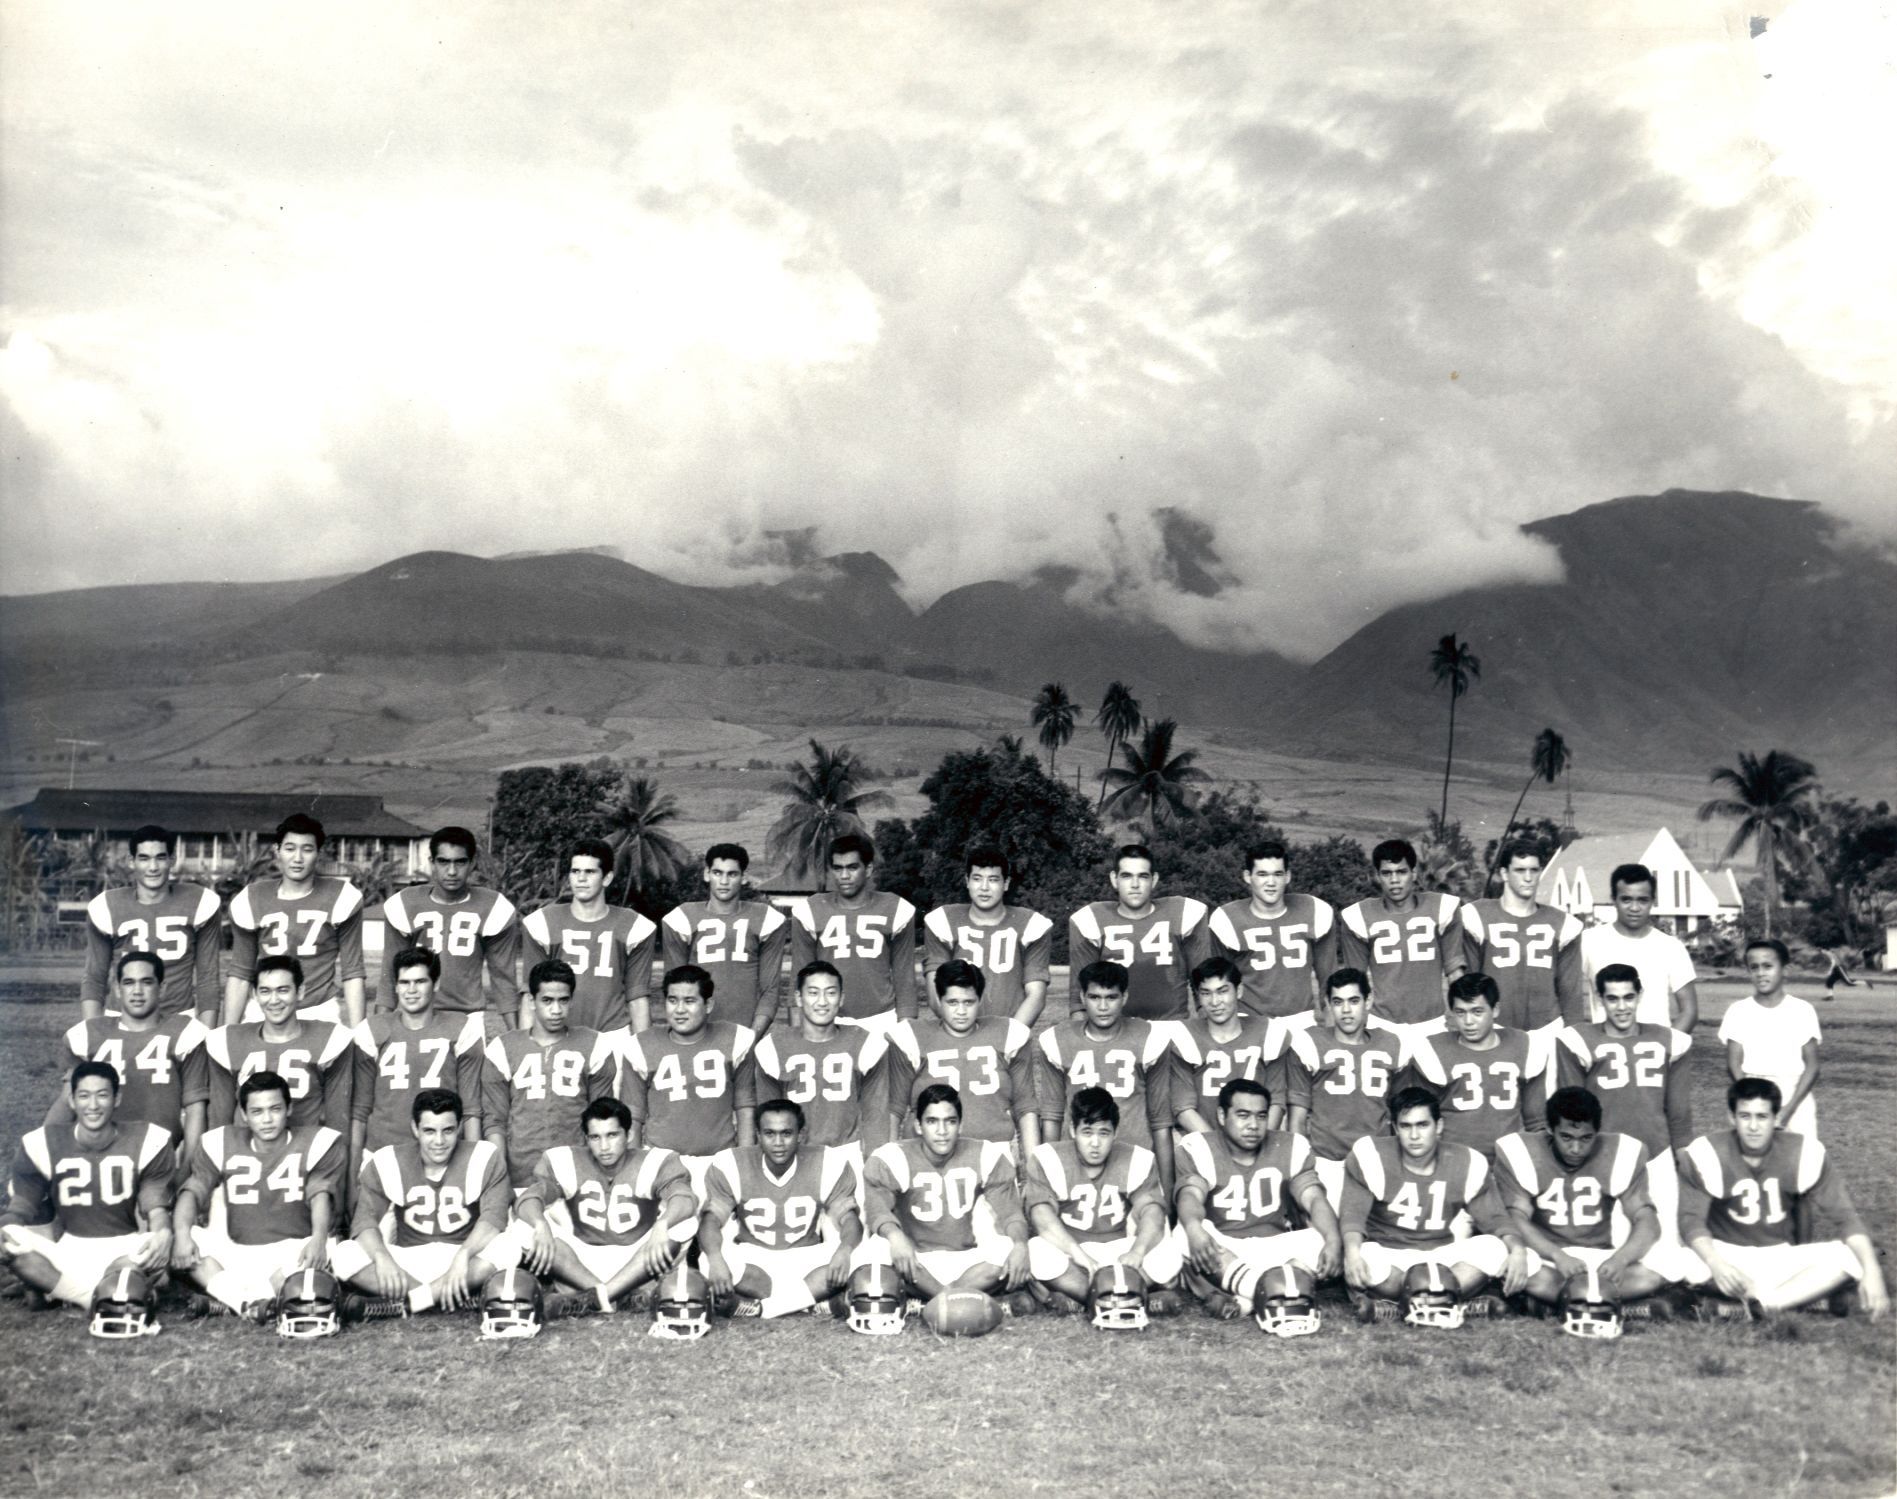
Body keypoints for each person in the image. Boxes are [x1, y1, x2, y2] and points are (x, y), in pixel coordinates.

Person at [1676, 1078, 1887, 1320]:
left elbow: (1845, 1217)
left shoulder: (1803, 1152)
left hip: (1778, 1256)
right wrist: (1717, 1264)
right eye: (1745, 1116)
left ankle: (1759, 1305)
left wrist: (1873, 1272)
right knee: (1680, 1258)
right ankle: (1799, 1298)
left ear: (1777, 1119)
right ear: (1731, 1118)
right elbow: (1690, 1221)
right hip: (1725, 1254)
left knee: (1854, 1254)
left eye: (1762, 1117)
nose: (1753, 1126)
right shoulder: (1706, 1153)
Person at [1493, 1087, 1687, 1318]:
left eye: (1586, 1138)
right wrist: (1557, 1255)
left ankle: (1551, 1304)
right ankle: (1620, 1305)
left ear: (1598, 1131)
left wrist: (1621, 1259)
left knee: (1674, 1258)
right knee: (1502, 1256)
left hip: (1599, 1260)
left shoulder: (1621, 1151)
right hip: (1547, 1259)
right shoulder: (1522, 1152)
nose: (1576, 1148)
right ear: (1549, 1129)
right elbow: (1516, 1218)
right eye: (1566, 1137)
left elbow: (1646, 1218)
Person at [1339, 1085, 1527, 1322]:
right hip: (1390, 1256)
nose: (1414, 1136)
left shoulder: (1466, 1161)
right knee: (1362, 1254)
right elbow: (1352, 1216)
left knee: (1494, 1247)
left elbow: (1496, 1220)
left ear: (1438, 1126)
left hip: (1441, 1258)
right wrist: (1353, 1253)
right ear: (1395, 1128)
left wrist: (1518, 1249)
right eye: (1406, 1126)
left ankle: (1397, 1308)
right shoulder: (1372, 1156)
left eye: (1422, 1125)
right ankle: (1455, 1304)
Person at [0, 1061, 175, 1311]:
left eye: (102, 1095)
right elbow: (21, 1207)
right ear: (71, 1100)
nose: (93, 1106)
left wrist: (162, 1233)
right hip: (70, 1248)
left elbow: (155, 1204)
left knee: (151, 1252)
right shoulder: (43, 1142)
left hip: (124, 1248)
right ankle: (98, 1296)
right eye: (84, 1096)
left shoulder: (147, 1140)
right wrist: (4, 1228)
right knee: (12, 1241)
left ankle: (60, 1289)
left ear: (116, 1098)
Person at [170, 1070, 345, 1320]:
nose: (267, 1119)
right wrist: (183, 1235)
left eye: (275, 1109)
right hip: (239, 1250)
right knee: (188, 1243)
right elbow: (192, 1191)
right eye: (257, 1111)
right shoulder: (221, 1142)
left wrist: (317, 1238)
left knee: (329, 1253)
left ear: (289, 1109)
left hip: (293, 1250)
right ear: (244, 1115)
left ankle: (233, 1302)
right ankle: (251, 1303)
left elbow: (320, 1194)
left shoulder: (316, 1142)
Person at [330, 1087, 523, 1314]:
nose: (439, 1141)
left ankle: (412, 1303)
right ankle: (445, 1298)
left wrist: (464, 1254)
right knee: (344, 1253)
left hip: (462, 1260)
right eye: (429, 1131)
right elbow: (364, 1223)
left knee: (509, 1246)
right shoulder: (388, 1160)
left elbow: (494, 1218)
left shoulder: (484, 1156)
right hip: (408, 1261)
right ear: (415, 1128)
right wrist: (382, 1256)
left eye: (448, 1131)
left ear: (460, 1127)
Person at [1174, 1078, 1341, 1321]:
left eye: (1261, 1116)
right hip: (1225, 1251)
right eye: (1243, 1115)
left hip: (1273, 1247)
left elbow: (1314, 1198)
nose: (1253, 1125)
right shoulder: (1199, 1147)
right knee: (1183, 1233)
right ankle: (1280, 1291)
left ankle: (1248, 1297)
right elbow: (1190, 1196)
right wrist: (1193, 1228)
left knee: (1325, 1235)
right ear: (1222, 1115)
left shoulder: (1289, 1146)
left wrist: (1334, 1240)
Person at [514, 1097, 699, 1312]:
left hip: (638, 1263)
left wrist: (662, 1224)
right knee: (524, 1227)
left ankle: (593, 1299)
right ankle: (617, 1297)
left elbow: (685, 1199)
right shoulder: (567, 1160)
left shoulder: (655, 1161)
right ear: (586, 1139)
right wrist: (540, 1224)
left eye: (612, 1135)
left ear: (628, 1135)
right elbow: (530, 1197)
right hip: (582, 1262)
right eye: (595, 1137)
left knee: (683, 1224)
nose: (604, 1146)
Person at [1553, 963, 1693, 1243]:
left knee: (1667, 1248)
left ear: (1639, 996)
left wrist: (1684, 1158)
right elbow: (1570, 1110)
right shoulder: (1578, 1041)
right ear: (1600, 999)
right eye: (1612, 998)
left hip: (1656, 1151)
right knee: (1608, 1245)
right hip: (1603, 1154)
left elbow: (1678, 1111)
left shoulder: (1670, 1041)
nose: (1621, 1007)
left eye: (1628, 997)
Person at [860, 1084, 1030, 1300]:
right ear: (918, 1126)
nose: (942, 1131)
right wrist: (895, 1237)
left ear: (960, 1126)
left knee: (1009, 1248)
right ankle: (959, 1299)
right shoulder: (893, 1157)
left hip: (967, 1261)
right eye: (932, 1121)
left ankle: (935, 1300)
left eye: (950, 1121)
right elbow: (877, 1211)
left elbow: (1011, 1214)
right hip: (915, 1262)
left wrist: (1021, 1244)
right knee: (874, 1250)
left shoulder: (985, 1154)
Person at [699, 1098, 863, 1318]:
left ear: (800, 1135)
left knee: (863, 1253)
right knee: (706, 1259)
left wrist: (844, 1250)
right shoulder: (731, 1164)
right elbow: (711, 1220)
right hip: (755, 1262)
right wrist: (715, 1258)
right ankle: (810, 1303)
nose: (778, 1142)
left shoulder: (827, 1162)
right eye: (769, 1133)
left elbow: (849, 1219)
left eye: (786, 1133)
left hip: (808, 1259)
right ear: (758, 1135)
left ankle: (760, 1308)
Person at [55, 952, 209, 1186]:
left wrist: (186, 1170)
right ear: (117, 989)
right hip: (98, 1155)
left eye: (146, 982)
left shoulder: (184, 1033)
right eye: (129, 983)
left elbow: (196, 1109)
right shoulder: (89, 1034)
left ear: (163, 988)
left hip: (160, 1157)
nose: (137, 991)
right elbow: (67, 1102)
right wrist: (47, 1154)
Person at [1023, 1088, 1179, 1309]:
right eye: (1087, 1132)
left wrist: (1137, 1251)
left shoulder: (1138, 1159)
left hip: (1121, 1252)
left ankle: (1086, 1298)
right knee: (1036, 1250)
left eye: (1104, 1133)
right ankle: (1131, 1297)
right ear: (1072, 1130)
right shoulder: (1048, 1158)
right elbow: (1041, 1218)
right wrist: (1078, 1254)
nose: (1095, 1143)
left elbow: (1152, 1213)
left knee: (1170, 1250)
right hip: (1073, 1254)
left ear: (1115, 1133)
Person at [1037, 960, 1178, 1200]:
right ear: (1082, 997)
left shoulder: (1149, 1038)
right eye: (1094, 997)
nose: (1103, 1006)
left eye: (1111, 997)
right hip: (1079, 1162)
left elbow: (1160, 1120)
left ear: (1124, 997)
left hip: (1135, 1160)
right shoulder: (1058, 1040)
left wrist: (1167, 1194)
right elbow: (1052, 1116)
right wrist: (1051, 1179)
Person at [620, 964, 757, 1198]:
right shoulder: (641, 1046)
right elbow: (633, 1117)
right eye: (672, 1000)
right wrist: (633, 1172)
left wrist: (741, 1164)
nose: (680, 1009)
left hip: (718, 1159)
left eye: (690, 1001)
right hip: (661, 1163)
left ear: (709, 1005)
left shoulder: (735, 1040)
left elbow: (745, 1109)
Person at [481, 959, 618, 1190]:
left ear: (571, 1000)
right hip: (521, 1174)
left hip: (579, 1174)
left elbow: (602, 1120)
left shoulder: (595, 1046)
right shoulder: (502, 1049)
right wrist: (500, 1177)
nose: (556, 1010)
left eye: (563, 1000)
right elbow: (495, 1121)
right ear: (531, 1001)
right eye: (547, 1000)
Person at [1284, 968, 1413, 1208]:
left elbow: (1402, 1115)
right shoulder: (1310, 1044)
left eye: (1354, 1001)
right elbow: (1297, 1119)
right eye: (1337, 1002)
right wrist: (1300, 1171)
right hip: (1326, 1161)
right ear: (1328, 1005)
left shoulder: (1393, 1044)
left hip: (1378, 1159)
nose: (1346, 1011)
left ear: (1369, 1001)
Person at [224, 813, 368, 1027]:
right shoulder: (252, 898)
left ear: (318, 854)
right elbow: (240, 972)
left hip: (319, 1010)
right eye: (290, 848)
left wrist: (359, 1034)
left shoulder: (341, 897)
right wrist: (229, 1032)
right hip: (264, 1008)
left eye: (307, 849)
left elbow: (353, 971)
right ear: (277, 851)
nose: (298, 858)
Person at [350, 947, 487, 1168]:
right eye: (404, 982)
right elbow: (360, 1110)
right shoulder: (372, 1030)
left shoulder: (462, 1029)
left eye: (420, 981)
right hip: (383, 1152)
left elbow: (471, 1107)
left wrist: (472, 1165)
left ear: (436, 984)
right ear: (395, 985)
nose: (411, 990)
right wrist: (354, 1169)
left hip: (443, 1152)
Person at [379, 826, 522, 1038]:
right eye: (444, 862)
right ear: (432, 863)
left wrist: (517, 1037)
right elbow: (389, 974)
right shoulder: (405, 904)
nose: (452, 871)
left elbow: (503, 979)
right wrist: (379, 1029)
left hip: (468, 1018)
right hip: (414, 1015)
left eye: (460, 862)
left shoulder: (493, 907)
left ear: (473, 863)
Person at [888, 960, 1038, 1154]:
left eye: (969, 1002)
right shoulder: (912, 1038)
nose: (961, 1011)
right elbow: (893, 1109)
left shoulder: (1009, 1034)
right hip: (926, 1154)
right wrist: (888, 1160)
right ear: (939, 1000)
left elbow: (1026, 1108)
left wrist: (1035, 1165)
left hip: (993, 1150)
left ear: (980, 1000)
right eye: (952, 1002)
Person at [519, 839, 660, 1039]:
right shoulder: (542, 923)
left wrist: (645, 1052)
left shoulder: (634, 927)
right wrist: (525, 1046)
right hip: (558, 1036)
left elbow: (637, 997)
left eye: (590, 872)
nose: (581, 879)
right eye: (575, 871)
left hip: (612, 1036)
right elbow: (530, 994)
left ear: (607, 878)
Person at [752, 962, 888, 1168]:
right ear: (799, 997)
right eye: (813, 993)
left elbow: (876, 1115)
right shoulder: (773, 1048)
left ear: (841, 998)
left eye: (830, 993)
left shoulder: (864, 1044)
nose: (822, 1002)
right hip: (794, 1157)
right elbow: (767, 1120)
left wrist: (874, 1164)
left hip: (846, 1154)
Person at [80, 824, 221, 1023]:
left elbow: (208, 978)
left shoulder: (199, 903)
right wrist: (92, 1033)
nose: (153, 867)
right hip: (121, 1020)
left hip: (178, 1019)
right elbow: (95, 977)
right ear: (131, 861)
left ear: (172, 859)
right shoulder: (107, 907)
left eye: (160, 858)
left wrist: (207, 1037)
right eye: (144, 858)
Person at [1408, 973, 1554, 1159]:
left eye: (1477, 1012)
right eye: (1460, 1012)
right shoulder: (1433, 1051)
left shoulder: (1525, 1046)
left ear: (1495, 1010)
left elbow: (1537, 1122)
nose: (1468, 1022)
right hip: (1452, 1161)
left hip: (1509, 1161)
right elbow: (1422, 1122)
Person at [788, 833, 919, 1037]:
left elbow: (905, 977)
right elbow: (800, 975)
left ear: (868, 869)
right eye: (838, 868)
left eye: (852, 867)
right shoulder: (810, 911)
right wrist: (798, 1032)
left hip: (882, 1018)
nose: (844, 876)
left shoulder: (895, 909)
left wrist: (907, 1029)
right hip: (827, 1018)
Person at [206, 956, 354, 1132]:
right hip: (245, 1152)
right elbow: (219, 1124)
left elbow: (338, 1121)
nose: (274, 1000)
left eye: (283, 990)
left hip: (304, 1150)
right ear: (254, 995)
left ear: (300, 992)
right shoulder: (230, 1042)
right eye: (265, 991)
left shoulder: (328, 1040)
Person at [1066, 843, 1209, 1022]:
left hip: (1171, 1028)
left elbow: (1206, 988)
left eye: (1143, 876)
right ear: (1114, 879)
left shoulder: (1184, 913)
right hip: (1115, 1033)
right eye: (1126, 876)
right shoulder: (1091, 920)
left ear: (1154, 880)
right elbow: (1079, 1001)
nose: (1135, 884)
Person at [1336, 839, 1465, 1034]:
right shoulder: (1359, 917)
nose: (1394, 880)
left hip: (1433, 1022)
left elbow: (1456, 974)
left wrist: (1464, 1021)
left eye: (1401, 872)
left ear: (1414, 874)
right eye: (1387, 873)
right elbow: (1355, 982)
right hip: (1383, 1024)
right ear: (1378, 876)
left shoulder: (1442, 909)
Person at [661, 843, 790, 1035]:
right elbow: (674, 991)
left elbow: (770, 991)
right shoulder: (682, 918)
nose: (724, 881)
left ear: (744, 878)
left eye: (732, 874)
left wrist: (751, 1038)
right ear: (707, 874)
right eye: (717, 873)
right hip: (696, 1035)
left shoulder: (767, 920)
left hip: (746, 1031)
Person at [1457, 841, 1585, 1034]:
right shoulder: (1476, 917)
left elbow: (1571, 994)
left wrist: (1576, 1039)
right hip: (1495, 1029)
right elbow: (1468, 986)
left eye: (1534, 870)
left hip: (1548, 1030)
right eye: (1520, 870)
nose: (1528, 878)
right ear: (1504, 873)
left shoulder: (1563, 924)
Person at [920, 845, 1054, 1026]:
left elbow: (1036, 995)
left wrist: (1009, 1038)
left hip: (1010, 1033)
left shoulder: (1031, 925)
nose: (984, 887)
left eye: (993, 879)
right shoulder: (943, 921)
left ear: (1006, 883)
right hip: (957, 1035)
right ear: (967, 881)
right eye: (977, 878)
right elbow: (935, 991)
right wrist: (961, 1033)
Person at [1206, 840, 1337, 1024]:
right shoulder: (1227, 920)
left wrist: (1331, 1033)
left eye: (1278, 874)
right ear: (1247, 876)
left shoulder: (1314, 911)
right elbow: (1219, 985)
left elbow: (1329, 981)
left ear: (1288, 876)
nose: (1271, 882)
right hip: (1248, 1022)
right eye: (1262, 874)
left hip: (1300, 1021)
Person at [1170, 956, 1292, 1135]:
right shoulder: (1184, 1037)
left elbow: (1277, 1101)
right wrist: (1217, 1149)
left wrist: (1257, 1141)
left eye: (1222, 991)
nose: (1215, 1001)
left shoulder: (1268, 1033)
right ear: (1198, 997)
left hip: (1257, 1139)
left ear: (1239, 990)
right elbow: (1183, 1108)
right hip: (1205, 1142)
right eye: (1206, 993)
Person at [1718, 938, 1823, 1139]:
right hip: (1751, 1094)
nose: (1760, 973)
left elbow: (1812, 1067)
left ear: (1785, 969)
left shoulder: (1802, 1010)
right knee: (1751, 1162)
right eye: (1754, 967)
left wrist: (1788, 1109)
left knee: (1801, 1161)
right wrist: (1754, 1103)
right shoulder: (1738, 1011)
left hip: (1795, 1096)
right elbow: (1733, 1065)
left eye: (1768, 966)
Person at [1578, 863, 1698, 1032]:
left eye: (1642, 900)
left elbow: (1689, 1011)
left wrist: (1665, 1048)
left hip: (1656, 1052)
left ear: (1652, 902)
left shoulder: (1671, 947)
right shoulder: (1589, 941)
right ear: (1614, 899)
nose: (1634, 908)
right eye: (1626, 899)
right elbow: (1563, 994)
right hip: (1604, 1052)